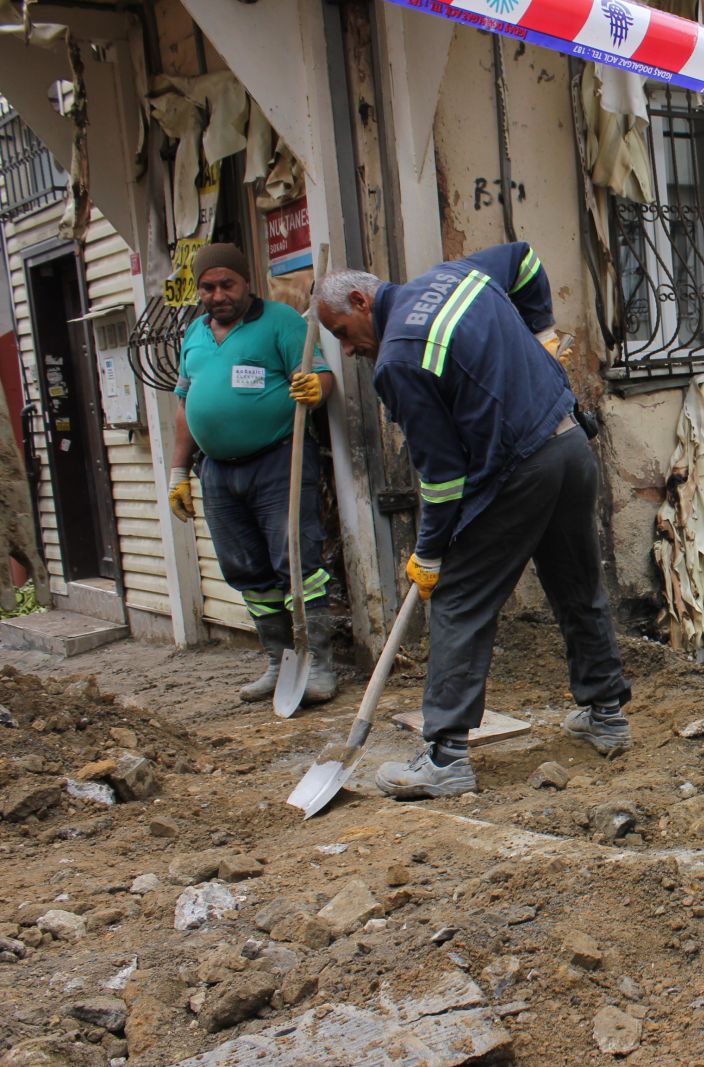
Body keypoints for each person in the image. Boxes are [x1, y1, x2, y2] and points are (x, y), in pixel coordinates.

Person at [315, 242, 632, 800]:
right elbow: (527, 259)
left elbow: (441, 475)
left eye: (342, 332)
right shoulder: (454, 276)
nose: (346, 349)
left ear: (362, 301)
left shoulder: (397, 359)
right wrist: (543, 334)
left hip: (521, 468)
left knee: (460, 600)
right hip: (570, 446)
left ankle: (445, 758)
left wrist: (431, 552)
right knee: (577, 585)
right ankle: (606, 714)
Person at [166, 243, 339, 707]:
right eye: (208, 287)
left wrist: (314, 388)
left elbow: (322, 377)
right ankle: (277, 663)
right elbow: (185, 407)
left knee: (296, 560)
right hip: (218, 471)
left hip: (278, 459)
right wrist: (178, 472)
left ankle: (319, 663)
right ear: (198, 291)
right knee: (244, 569)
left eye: (228, 284)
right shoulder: (195, 336)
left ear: (247, 283)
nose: (218, 294)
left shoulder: (280, 323)